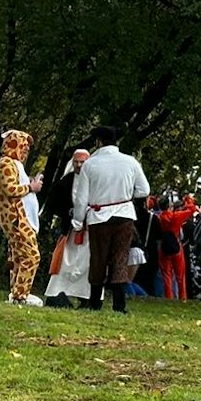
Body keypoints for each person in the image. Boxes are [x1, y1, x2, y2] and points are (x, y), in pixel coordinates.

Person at [68, 125, 150, 314]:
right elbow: (144, 190)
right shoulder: (130, 162)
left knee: (99, 258)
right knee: (120, 257)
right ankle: (119, 305)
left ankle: (95, 302)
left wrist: (78, 222)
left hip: (99, 217)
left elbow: (81, 198)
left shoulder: (90, 165)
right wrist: (126, 195)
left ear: (98, 142)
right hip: (124, 215)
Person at [0, 130, 42, 305]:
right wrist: (31, 187)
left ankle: (17, 292)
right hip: (15, 217)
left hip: (18, 217)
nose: (26, 149)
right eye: (23, 145)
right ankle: (20, 295)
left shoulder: (13, 164)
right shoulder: (6, 163)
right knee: (31, 255)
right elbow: (10, 189)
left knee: (18, 257)